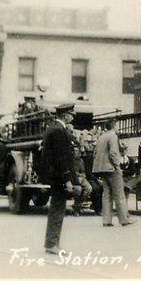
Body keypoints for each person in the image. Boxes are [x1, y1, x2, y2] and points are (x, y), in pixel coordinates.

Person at [41, 104, 80, 254]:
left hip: (54, 176)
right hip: (58, 177)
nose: (73, 117)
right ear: (65, 115)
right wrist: (67, 179)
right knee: (58, 210)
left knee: (56, 209)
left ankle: (51, 243)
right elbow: (60, 158)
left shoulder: (53, 128)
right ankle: (52, 244)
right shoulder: (59, 131)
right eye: (71, 114)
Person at [92, 118, 135, 227]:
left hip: (102, 169)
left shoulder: (101, 137)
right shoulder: (113, 136)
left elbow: (96, 153)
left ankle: (106, 220)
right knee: (119, 195)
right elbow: (113, 153)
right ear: (114, 125)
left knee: (106, 195)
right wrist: (118, 167)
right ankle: (124, 220)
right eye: (117, 125)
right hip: (112, 169)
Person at [69, 136, 93, 216]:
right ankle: (76, 208)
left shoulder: (80, 160)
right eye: (75, 150)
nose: (76, 152)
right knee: (78, 190)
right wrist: (78, 176)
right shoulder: (69, 160)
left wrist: (82, 175)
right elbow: (70, 172)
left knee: (89, 189)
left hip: (81, 178)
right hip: (72, 179)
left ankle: (79, 204)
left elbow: (83, 171)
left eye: (77, 150)